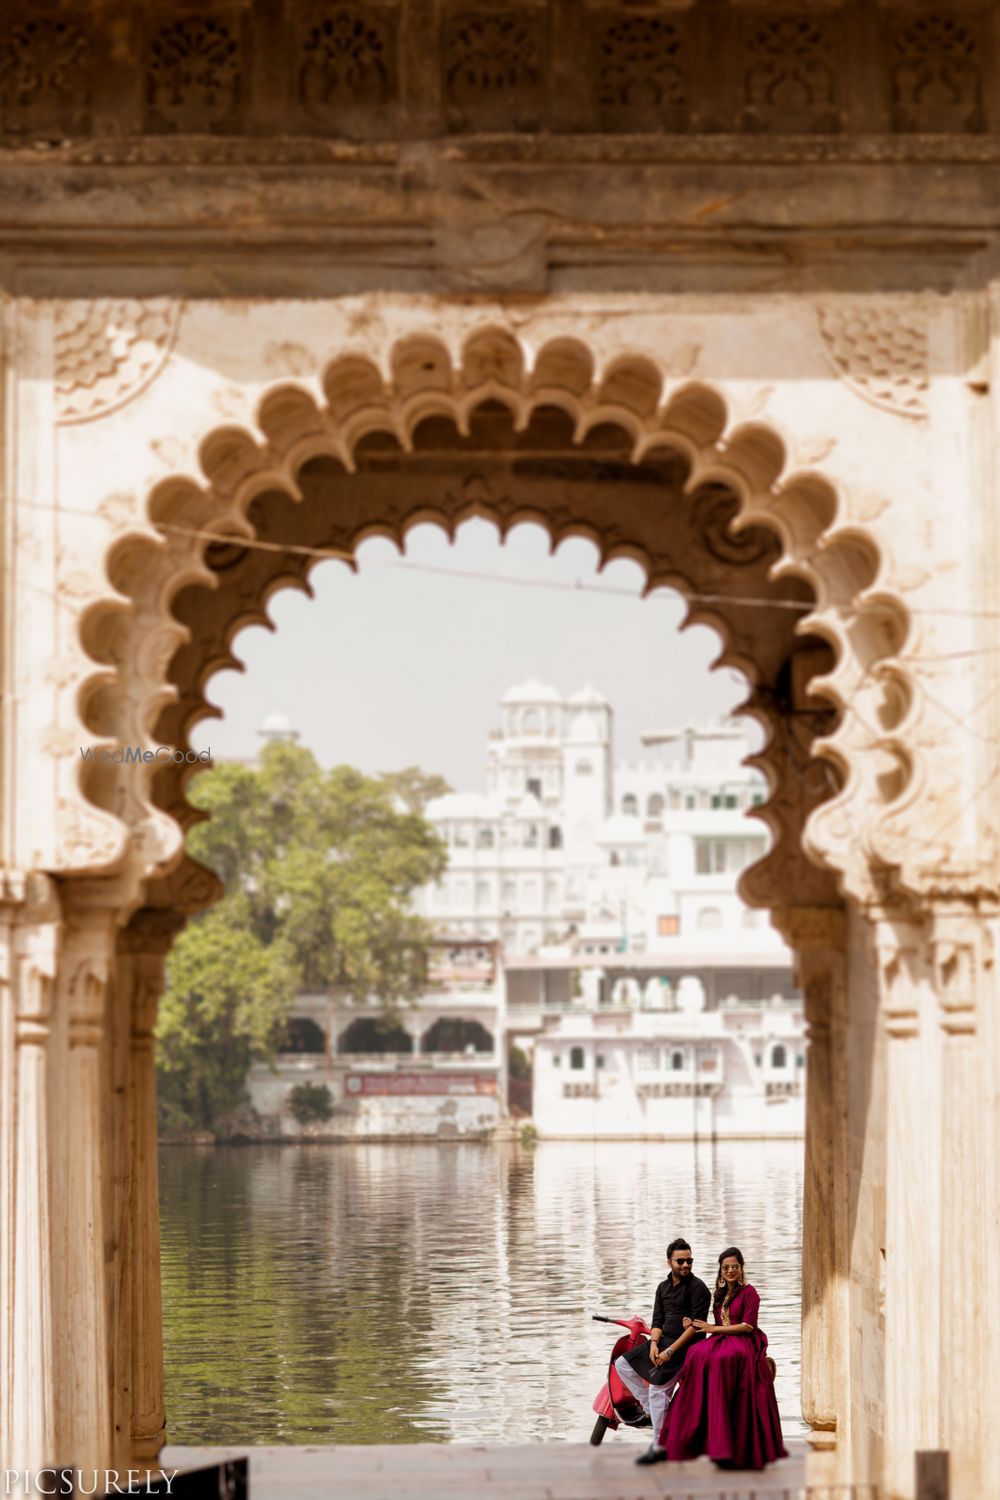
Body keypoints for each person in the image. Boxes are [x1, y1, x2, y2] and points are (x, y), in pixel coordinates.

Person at [645, 1245, 787, 1470]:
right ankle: (689, 1425)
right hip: (723, 1337)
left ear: (741, 1269)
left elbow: (747, 1326)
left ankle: (722, 1433)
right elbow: (714, 1325)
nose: (730, 1271)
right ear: (721, 1271)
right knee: (695, 1353)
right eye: (726, 1267)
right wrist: (693, 1325)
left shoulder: (750, 1293)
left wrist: (712, 1328)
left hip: (745, 1341)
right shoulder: (721, 1295)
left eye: (734, 1267)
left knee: (723, 1358)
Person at [616, 1238, 711, 1464]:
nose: (686, 1265)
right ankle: (650, 1409)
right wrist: (654, 1344)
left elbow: (697, 1327)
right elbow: (657, 1320)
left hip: (686, 1346)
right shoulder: (663, 1287)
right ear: (670, 1262)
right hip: (663, 1342)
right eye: (681, 1261)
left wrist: (669, 1351)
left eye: (689, 1260)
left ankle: (659, 1446)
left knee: (657, 1390)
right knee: (622, 1364)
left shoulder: (699, 1289)